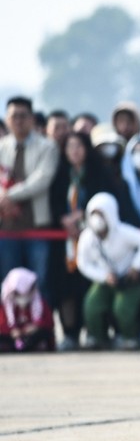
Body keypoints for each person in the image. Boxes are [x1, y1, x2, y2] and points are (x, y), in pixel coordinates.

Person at [49, 131, 123, 351]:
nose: (75, 150)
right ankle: (70, 333)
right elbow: (52, 203)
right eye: (70, 146)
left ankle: (94, 332)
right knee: (66, 289)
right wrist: (63, 218)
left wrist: (85, 216)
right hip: (65, 243)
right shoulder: (61, 175)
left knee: (90, 286)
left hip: (93, 239)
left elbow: (108, 203)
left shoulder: (99, 173)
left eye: (79, 146)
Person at [76, 192, 140, 350]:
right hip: (105, 280)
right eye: (93, 214)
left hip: (129, 280)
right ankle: (98, 338)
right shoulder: (87, 237)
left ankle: (130, 338)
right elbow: (82, 263)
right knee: (91, 305)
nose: (97, 219)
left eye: (100, 214)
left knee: (122, 309)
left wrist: (136, 267)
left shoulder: (123, 232)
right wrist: (104, 276)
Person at [0, 97, 60, 296]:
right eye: (13, 116)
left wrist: (9, 195)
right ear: (7, 120)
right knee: (8, 283)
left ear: (32, 118)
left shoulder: (47, 146)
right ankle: (9, 326)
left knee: (39, 281)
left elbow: (42, 180)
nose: (18, 121)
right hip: (6, 229)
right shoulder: (1, 147)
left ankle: (40, 325)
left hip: (37, 227)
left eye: (23, 116)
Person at [0, 267, 54, 352]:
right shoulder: (6, 304)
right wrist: (12, 331)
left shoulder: (39, 302)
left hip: (30, 337)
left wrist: (35, 326)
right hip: (12, 337)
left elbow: (49, 322)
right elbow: (2, 324)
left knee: (43, 334)